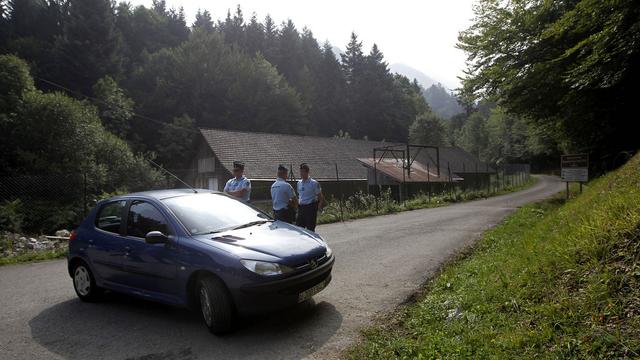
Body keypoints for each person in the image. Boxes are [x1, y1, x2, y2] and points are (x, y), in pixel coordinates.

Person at [296, 163, 324, 231]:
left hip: (310, 208)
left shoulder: (314, 183)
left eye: (303, 172)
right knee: (299, 229)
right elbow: (299, 196)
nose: (301, 174)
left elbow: (320, 197)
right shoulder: (299, 183)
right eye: (300, 172)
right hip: (301, 208)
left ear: (308, 172)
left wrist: (318, 208)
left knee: (310, 229)